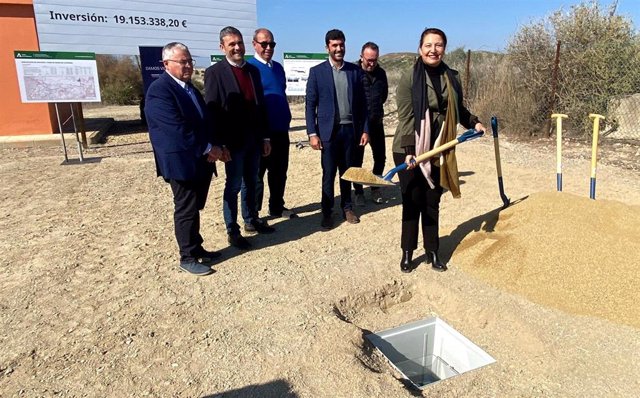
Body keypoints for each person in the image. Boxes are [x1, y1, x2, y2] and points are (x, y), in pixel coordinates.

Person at [393, 28, 486, 273]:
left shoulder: (452, 76)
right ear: (420, 48)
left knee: (432, 200)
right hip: (409, 146)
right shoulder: (408, 77)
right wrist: (409, 150)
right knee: (412, 201)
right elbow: (406, 116)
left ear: (444, 48)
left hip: (439, 146)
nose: (433, 50)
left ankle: (433, 252)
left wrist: (473, 122)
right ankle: (407, 253)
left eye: (438, 45)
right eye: (428, 45)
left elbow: (458, 108)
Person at [145, 42, 224, 276]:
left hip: (198, 159)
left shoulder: (189, 88)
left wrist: (214, 144)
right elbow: (176, 129)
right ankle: (187, 257)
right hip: (181, 161)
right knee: (185, 208)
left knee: (194, 206)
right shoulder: (160, 90)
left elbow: (203, 121)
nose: (188, 65)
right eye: (183, 61)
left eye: (189, 60)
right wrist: (208, 148)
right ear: (166, 64)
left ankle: (197, 246)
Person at [205, 26, 274, 251]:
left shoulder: (252, 71)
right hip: (232, 144)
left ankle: (251, 219)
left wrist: (265, 137)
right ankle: (232, 230)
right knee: (233, 185)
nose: (237, 47)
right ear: (222, 47)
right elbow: (212, 111)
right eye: (231, 44)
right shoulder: (215, 72)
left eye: (239, 43)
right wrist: (219, 143)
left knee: (252, 182)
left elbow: (260, 106)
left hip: (254, 140)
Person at [305, 29, 369, 230]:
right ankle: (327, 212)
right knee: (329, 173)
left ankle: (347, 207)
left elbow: (362, 105)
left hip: (350, 131)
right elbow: (310, 104)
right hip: (328, 133)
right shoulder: (317, 72)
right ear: (327, 48)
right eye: (334, 45)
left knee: (347, 172)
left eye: (341, 44)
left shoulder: (354, 71)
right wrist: (312, 133)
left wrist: (365, 130)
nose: (339, 48)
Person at [246, 28, 296, 220]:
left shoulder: (277, 68)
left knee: (279, 172)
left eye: (271, 44)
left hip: (281, 130)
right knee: (257, 175)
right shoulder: (249, 69)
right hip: (260, 132)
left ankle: (276, 206)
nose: (268, 47)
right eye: (263, 44)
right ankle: (254, 214)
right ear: (254, 45)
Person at [355, 41, 389, 205]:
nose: (371, 63)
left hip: (376, 122)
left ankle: (375, 187)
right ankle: (359, 191)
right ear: (361, 57)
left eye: (374, 60)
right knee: (356, 160)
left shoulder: (381, 73)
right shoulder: (353, 72)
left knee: (380, 157)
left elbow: (383, 96)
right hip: (359, 125)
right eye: (368, 60)